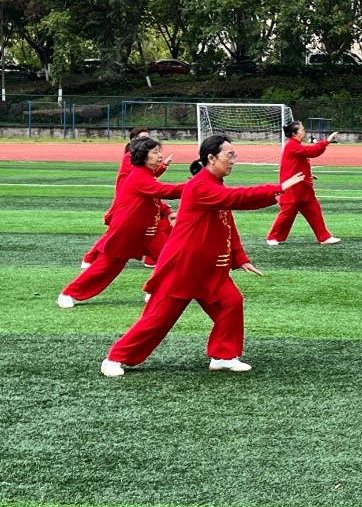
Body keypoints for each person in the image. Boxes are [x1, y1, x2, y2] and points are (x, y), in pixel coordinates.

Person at [100, 135, 304, 377]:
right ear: (211, 158)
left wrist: (240, 257)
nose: (233, 160)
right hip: (183, 267)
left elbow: (227, 222)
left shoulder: (214, 183)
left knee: (231, 302)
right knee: (157, 318)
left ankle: (223, 355)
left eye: (233, 155)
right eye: (229, 155)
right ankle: (115, 357)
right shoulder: (201, 185)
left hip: (208, 269)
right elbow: (236, 199)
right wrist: (278, 188)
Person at [59, 138, 186, 307]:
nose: (160, 156)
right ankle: (69, 293)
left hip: (149, 231)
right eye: (155, 153)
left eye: (159, 152)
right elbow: (165, 191)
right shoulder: (139, 176)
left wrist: (167, 212)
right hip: (127, 232)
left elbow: (155, 197)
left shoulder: (146, 175)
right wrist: (195, 186)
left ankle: (154, 290)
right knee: (106, 268)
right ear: (143, 156)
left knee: (172, 259)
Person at [81, 127, 174, 269]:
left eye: (147, 138)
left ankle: (155, 260)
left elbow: (150, 177)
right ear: (133, 141)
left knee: (156, 226)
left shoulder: (140, 163)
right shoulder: (130, 159)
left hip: (142, 198)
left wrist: (163, 166)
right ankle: (90, 258)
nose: (146, 141)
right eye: (142, 138)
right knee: (115, 233)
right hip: (129, 202)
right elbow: (144, 181)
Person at [265, 121, 340, 245]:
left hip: (302, 186)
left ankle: (324, 237)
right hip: (292, 187)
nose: (304, 132)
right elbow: (311, 152)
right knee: (287, 213)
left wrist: (309, 175)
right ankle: (273, 237)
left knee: (314, 210)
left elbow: (297, 163)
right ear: (295, 133)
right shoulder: (292, 145)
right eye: (302, 130)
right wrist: (327, 141)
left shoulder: (295, 145)